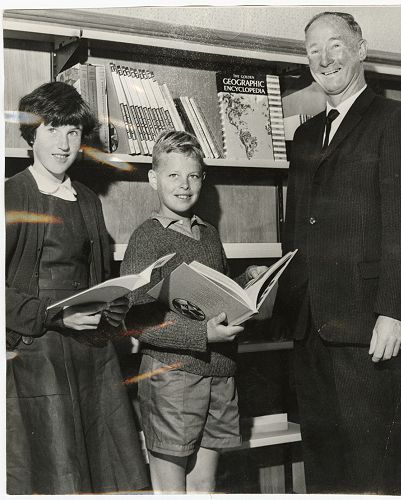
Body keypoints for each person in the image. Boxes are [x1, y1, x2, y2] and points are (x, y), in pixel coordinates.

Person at [275, 11, 401, 494]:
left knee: (371, 473)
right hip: (309, 330)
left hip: (367, 329)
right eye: (314, 50)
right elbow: (296, 230)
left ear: (360, 49)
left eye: (335, 45)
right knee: (323, 472)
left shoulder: (395, 119)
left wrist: (395, 311)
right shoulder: (302, 137)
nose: (324, 58)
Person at [6, 81, 149, 494]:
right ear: (32, 134)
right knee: (56, 469)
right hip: (37, 350)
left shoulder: (87, 198)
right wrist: (54, 315)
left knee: (108, 465)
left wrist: (120, 300)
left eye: (72, 132)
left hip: (91, 350)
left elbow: (99, 277)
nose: (64, 143)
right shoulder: (10, 194)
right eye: (52, 129)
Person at [120, 130, 266, 494]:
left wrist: (248, 279)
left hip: (220, 374)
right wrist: (202, 335)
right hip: (173, 379)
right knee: (172, 490)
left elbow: (217, 294)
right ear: (154, 179)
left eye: (193, 175)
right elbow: (135, 320)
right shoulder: (147, 238)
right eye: (173, 175)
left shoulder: (210, 234)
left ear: (203, 178)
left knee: (204, 487)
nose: (184, 185)